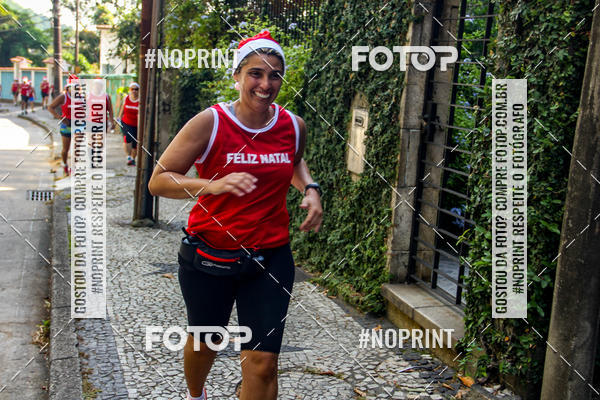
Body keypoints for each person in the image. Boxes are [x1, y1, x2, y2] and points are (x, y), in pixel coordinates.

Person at [148, 31, 323, 400]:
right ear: (237, 76)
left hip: (270, 257)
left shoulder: (293, 126)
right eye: (255, 73)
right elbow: (159, 180)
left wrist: (310, 188)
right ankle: (196, 395)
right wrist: (211, 185)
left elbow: (293, 162)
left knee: (263, 363)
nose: (265, 84)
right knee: (206, 342)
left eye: (275, 75)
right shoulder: (210, 123)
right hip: (211, 254)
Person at [48, 78, 76, 176]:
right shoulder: (63, 97)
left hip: (78, 124)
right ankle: (65, 164)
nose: (74, 90)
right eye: (72, 88)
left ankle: (74, 167)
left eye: (77, 87)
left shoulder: (82, 97)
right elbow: (50, 107)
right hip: (66, 124)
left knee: (77, 148)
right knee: (66, 149)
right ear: (67, 88)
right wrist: (59, 117)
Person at [119, 82, 139, 166]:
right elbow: (122, 109)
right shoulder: (126, 98)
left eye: (136, 89)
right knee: (127, 138)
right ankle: (128, 156)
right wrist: (119, 118)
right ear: (130, 90)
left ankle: (133, 159)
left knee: (135, 142)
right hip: (126, 122)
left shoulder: (140, 100)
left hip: (137, 124)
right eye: (132, 89)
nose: (134, 91)